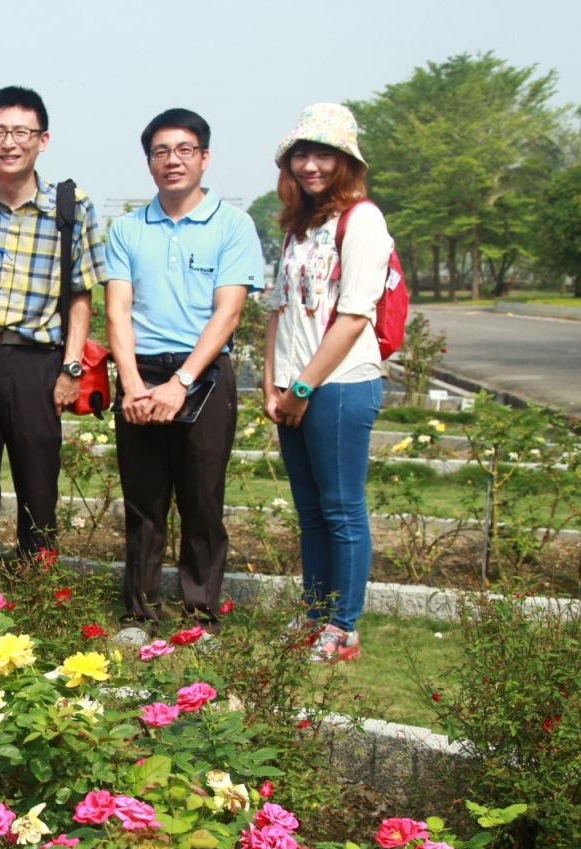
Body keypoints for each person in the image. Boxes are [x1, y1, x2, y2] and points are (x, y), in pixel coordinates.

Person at [104, 109, 264, 644]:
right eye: (161, 151)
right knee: (143, 502)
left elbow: (228, 313)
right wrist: (131, 386)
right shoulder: (127, 228)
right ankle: (139, 613)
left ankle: (201, 613)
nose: (173, 160)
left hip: (204, 376)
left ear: (204, 157)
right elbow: (117, 311)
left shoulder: (233, 225)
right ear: (149, 160)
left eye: (185, 149)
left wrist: (183, 383)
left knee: (201, 497)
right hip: (141, 374)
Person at [0, 86, 106, 584]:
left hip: (39, 361)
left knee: (39, 479)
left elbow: (81, 294)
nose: (9, 143)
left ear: (43, 139)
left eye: (21, 132)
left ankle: (36, 585)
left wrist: (71, 368)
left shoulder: (71, 207)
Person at [263, 104, 392, 663]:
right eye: (301, 155)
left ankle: (343, 627)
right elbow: (278, 310)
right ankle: (313, 613)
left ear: (345, 161)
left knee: (341, 509)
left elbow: (355, 315)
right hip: (295, 389)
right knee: (311, 512)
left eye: (323, 155)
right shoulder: (299, 225)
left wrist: (304, 387)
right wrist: (272, 386)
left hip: (339, 386)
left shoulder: (361, 219)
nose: (311, 166)